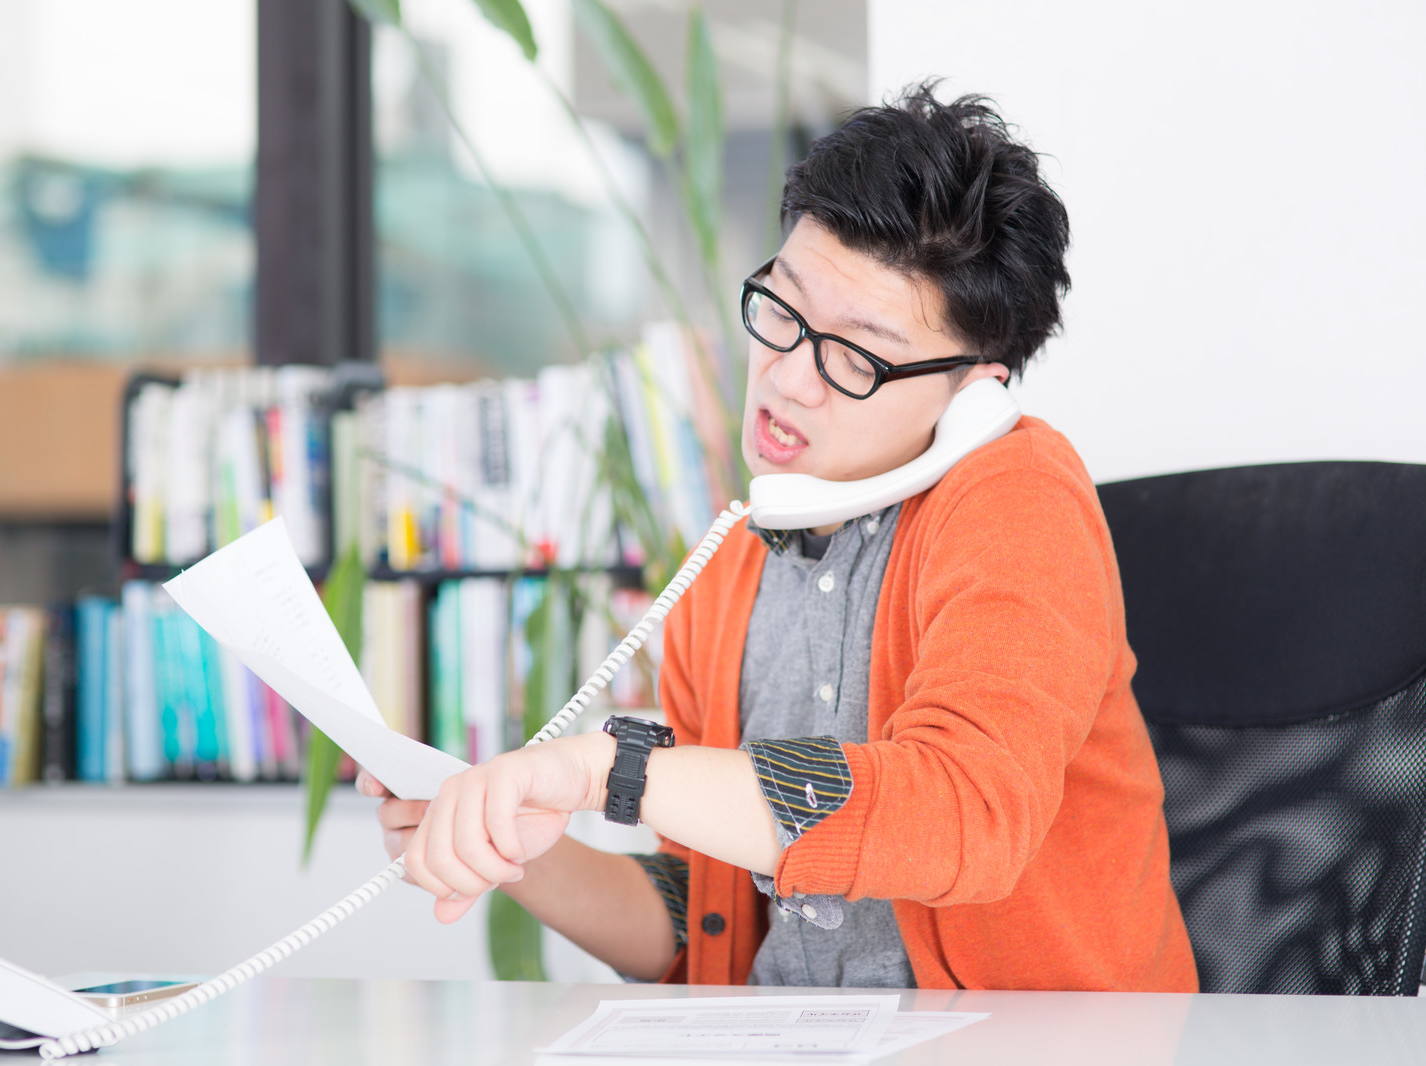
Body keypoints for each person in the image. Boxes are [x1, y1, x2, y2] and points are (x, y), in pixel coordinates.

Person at [359, 82, 1198, 992]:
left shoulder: (1016, 499)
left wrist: (613, 769)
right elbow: (704, 918)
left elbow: (962, 812)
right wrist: (521, 844)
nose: (790, 378)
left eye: (856, 355)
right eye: (783, 311)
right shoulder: (729, 561)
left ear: (976, 392)